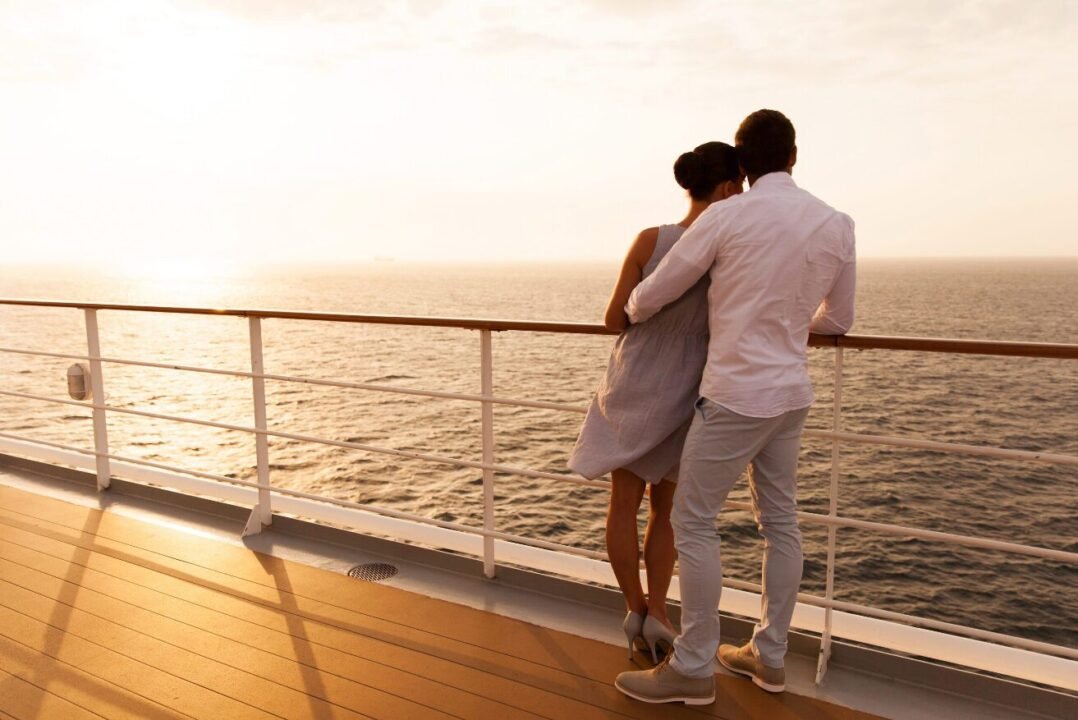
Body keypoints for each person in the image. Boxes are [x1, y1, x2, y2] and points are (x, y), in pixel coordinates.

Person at [613, 109, 856, 706]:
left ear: (743, 164)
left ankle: (694, 667)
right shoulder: (836, 222)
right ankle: (768, 657)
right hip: (790, 396)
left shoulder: (728, 214)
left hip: (733, 398)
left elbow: (654, 292)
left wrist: (636, 315)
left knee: (692, 524)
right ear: (794, 156)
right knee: (782, 524)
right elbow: (840, 320)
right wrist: (789, 327)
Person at [568, 142, 744, 663]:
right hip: (688, 390)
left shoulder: (651, 239)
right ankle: (662, 614)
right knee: (665, 510)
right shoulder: (727, 251)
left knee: (622, 503)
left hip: (633, 381)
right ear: (730, 188)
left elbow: (613, 319)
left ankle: (635, 609)